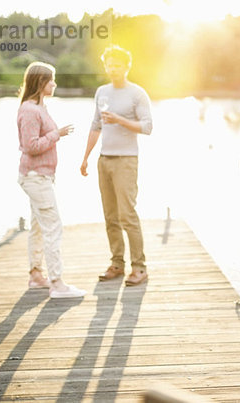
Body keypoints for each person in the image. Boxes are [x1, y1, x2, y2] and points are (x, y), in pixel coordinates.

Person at [80, 45, 153, 287]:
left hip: (126, 160)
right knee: (110, 216)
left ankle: (139, 267)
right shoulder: (102, 91)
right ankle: (117, 263)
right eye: (109, 65)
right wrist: (85, 157)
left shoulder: (137, 93)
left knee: (127, 215)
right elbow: (95, 125)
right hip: (104, 159)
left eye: (117, 65)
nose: (113, 69)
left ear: (126, 66)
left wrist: (119, 119)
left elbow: (147, 127)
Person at [16, 62, 87, 299]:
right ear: (40, 83)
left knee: (38, 226)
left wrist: (56, 135)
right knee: (53, 227)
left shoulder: (40, 107)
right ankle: (57, 284)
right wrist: (59, 134)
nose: (54, 84)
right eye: (51, 80)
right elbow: (30, 146)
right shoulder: (30, 110)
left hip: (41, 176)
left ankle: (37, 276)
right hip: (36, 178)